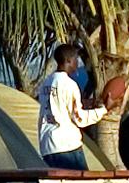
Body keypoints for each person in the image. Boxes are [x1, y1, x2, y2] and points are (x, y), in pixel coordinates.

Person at [35, 41, 95, 174]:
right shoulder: (69, 84)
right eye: (75, 59)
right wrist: (103, 110)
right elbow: (80, 119)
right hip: (66, 145)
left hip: (47, 145)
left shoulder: (46, 83)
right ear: (68, 60)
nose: (77, 63)